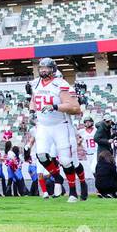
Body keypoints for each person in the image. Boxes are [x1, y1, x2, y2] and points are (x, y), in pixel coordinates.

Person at [28, 57, 84, 202]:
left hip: (60, 125)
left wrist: (55, 107)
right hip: (43, 125)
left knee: (66, 160)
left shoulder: (60, 84)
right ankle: (57, 176)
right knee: (41, 155)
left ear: (53, 69)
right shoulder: (35, 83)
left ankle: (73, 192)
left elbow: (73, 107)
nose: (43, 70)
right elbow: (33, 100)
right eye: (41, 68)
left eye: (46, 68)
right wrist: (32, 111)